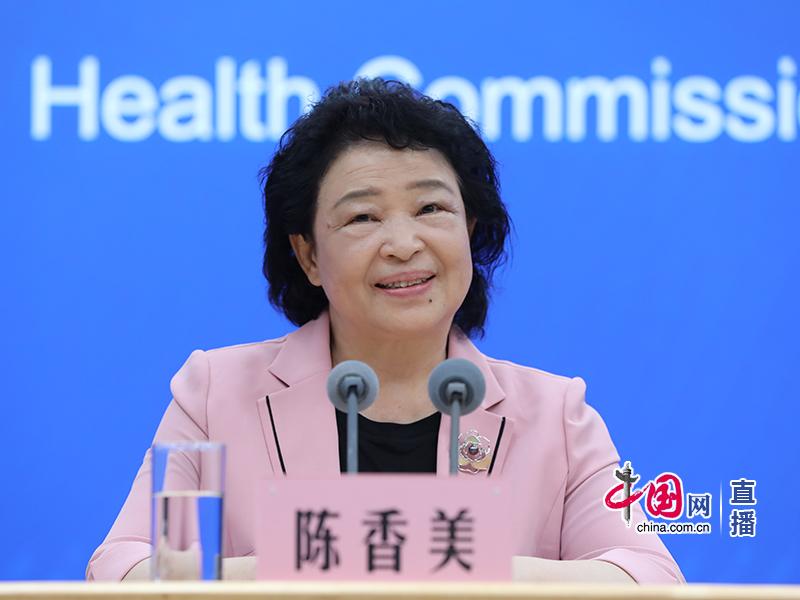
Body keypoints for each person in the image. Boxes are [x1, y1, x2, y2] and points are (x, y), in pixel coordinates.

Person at [86, 78, 684, 583]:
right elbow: (129, 567)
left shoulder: (555, 416)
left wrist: (446, 564)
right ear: (309, 255)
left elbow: (648, 575)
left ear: (471, 231)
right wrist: (321, 565)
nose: (403, 244)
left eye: (431, 209)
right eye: (363, 216)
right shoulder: (217, 395)